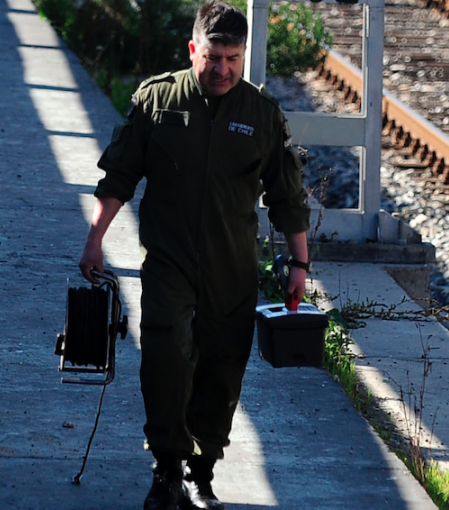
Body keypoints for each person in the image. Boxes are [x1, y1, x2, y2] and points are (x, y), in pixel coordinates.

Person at [78, 3, 311, 509]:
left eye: (232, 58)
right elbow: (118, 176)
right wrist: (95, 238)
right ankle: (166, 471)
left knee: (222, 370)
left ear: (244, 56)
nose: (222, 69)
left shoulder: (261, 115)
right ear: (192, 51)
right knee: (165, 354)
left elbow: (287, 197)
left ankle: (201, 472)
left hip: (233, 269)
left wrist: (299, 265)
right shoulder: (157, 101)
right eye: (212, 56)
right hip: (169, 261)